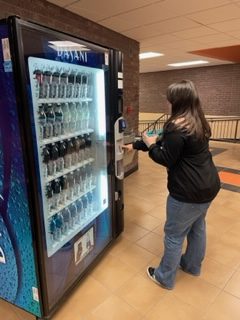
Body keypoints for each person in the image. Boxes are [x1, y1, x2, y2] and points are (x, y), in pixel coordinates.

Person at [123, 79, 220, 289]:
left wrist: (149, 146)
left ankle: (164, 277)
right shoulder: (197, 121)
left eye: (170, 99)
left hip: (187, 191)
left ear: (177, 101)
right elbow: (164, 142)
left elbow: (165, 157)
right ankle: (192, 266)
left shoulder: (176, 127)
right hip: (209, 186)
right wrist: (137, 144)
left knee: (174, 235)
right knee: (197, 227)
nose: (168, 103)